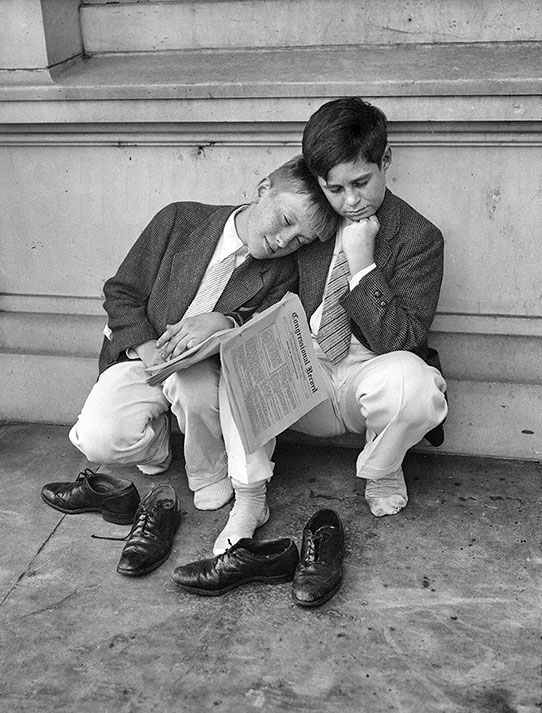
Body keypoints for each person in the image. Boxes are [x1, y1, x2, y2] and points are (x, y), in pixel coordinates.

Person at [213, 97, 448, 554]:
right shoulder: (312, 224)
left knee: (418, 385)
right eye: (335, 189)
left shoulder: (420, 238)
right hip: (306, 377)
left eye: (361, 183)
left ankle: (381, 467)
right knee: (238, 362)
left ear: (385, 160)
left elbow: (402, 340)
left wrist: (362, 267)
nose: (350, 201)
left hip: (370, 375)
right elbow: (261, 292)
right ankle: (249, 498)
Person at [65, 156, 338, 513]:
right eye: (285, 220)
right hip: (142, 354)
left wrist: (224, 323)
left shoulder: (281, 270)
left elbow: (265, 330)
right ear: (262, 191)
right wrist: (148, 349)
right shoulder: (179, 220)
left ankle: (209, 471)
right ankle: (158, 442)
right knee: (98, 440)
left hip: (203, 367)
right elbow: (121, 292)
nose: (284, 240)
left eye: (300, 240)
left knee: (194, 391)